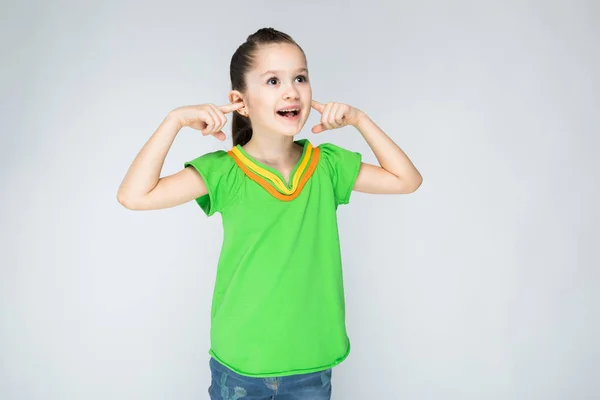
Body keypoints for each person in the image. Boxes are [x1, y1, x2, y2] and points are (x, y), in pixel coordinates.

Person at [117, 27, 422, 400]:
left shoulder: (327, 165)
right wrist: (174, 121)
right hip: (241, 367)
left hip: (311, 364)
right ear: (240, 102)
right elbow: (135, 195)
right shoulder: (225, 170)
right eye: (273, 80)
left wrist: (360, 120)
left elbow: (406, 179)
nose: (291, 90)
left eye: (300, 78)